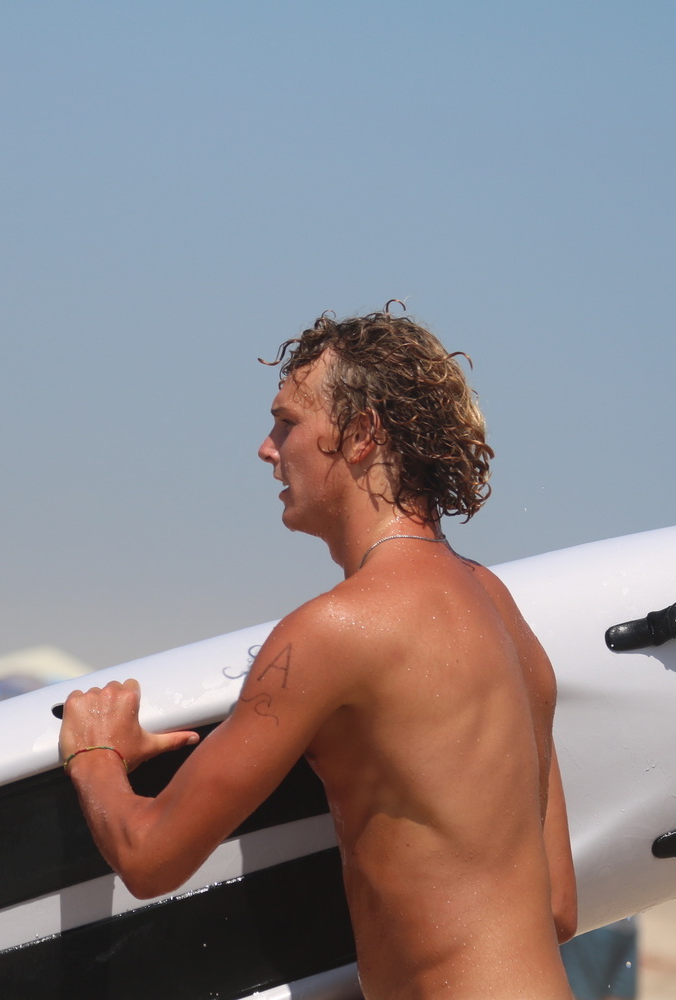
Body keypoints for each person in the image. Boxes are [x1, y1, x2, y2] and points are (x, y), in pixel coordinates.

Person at [59, 309, 577, 999]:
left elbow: (150, 857)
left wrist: (94, 754)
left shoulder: (334, 630)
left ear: (360, 436)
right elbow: (556, 909)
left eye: (287, 423)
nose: (267, 449)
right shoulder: (503, 614)